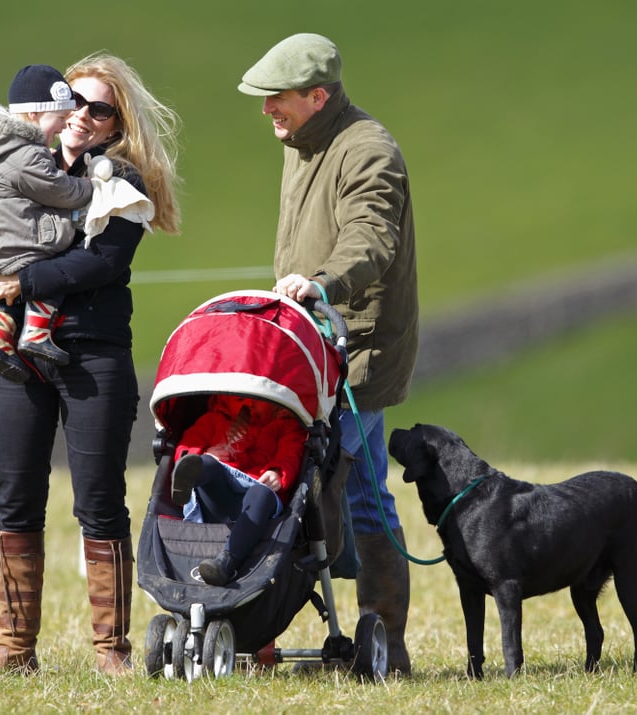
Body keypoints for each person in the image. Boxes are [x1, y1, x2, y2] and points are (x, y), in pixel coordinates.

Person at [0, 52, 181, 675]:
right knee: (15, 498)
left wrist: (24, 281)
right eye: (74, 101)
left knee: (99, 501)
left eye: (100, 108)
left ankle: (110, 650)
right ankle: (15, 650)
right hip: (15, 352)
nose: (83, 116)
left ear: (119, 122)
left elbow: (103, 264)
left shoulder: (124, 181)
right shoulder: (19, 167)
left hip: (92, 354)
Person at [238, 33, 419, 675]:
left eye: (276, 99)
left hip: (355, 351)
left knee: (360, 494)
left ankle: (386, 645)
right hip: (306, 344)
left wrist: (321, 285)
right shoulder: (302, 141)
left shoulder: (369, 150)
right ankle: (275, 630)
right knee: (307, 486)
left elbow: (371, 236)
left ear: (318, 95)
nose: (267, 111)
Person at [0, 64, 94, 381]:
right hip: (7, 239)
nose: (62, 127)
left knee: (10, 288)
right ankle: (35, 334)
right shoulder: (27, 154)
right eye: (59, 119)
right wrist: (91, 187)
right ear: (33, 115)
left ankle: (1, 338)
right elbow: (60, 191)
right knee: (50, 265)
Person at [170, 395, 307, 586]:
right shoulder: (213, 420)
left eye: (257, 398)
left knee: (261, 493)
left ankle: (226, 562)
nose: (248, 404)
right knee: (207, 463)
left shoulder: (284, 425)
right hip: (218, 496)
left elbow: (291, 452)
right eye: (240, 398)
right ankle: (188, 477)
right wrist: (203, 453)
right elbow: (187, 444)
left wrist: (277, 471)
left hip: (257, 499)